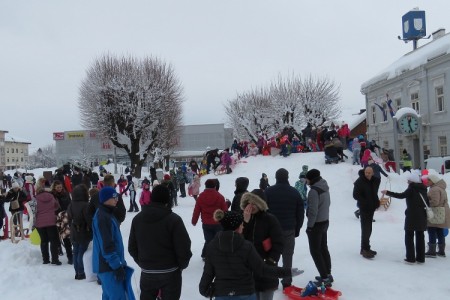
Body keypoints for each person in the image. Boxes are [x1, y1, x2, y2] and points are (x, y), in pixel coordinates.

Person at [199, 209, 304, 299]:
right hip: (245, 294)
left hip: (222, 295)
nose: (243, 227)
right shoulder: (246, 246)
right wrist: (287, 272)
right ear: (237, 227)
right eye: (241, 224)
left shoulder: (212, 246)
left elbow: (206, 279)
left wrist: (217, 291)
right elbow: (263, 269)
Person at [128, 185, 192, 299]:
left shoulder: (137, 219)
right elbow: (184, 247)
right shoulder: (174, 220)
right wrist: (181, 265)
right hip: (170, 272)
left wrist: (143, 263)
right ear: (168, 199)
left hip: (148, 272)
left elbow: (132, 247)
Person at [265, 168, 304, 289]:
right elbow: (300, 214)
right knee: (288, 256)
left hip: (272, 230)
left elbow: (264, 211)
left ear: (276, 178)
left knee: (272, 256)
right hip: (289, 229)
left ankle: (272, 281)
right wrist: (297, 229)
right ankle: (287, 282)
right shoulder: (294, 192)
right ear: (287, 177)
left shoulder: (268, 191)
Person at [92, 186, 135, 299]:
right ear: (106, 199)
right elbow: (107, 246)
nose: (117, 199)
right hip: (108, 267)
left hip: (108, 265)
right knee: (117, 297)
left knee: (108, 296)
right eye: (114, 197)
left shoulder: (107, 214)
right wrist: (116, 266)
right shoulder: (103, 217)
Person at [241, 192, 284, 300]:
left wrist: (271, 261)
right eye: (249, 203)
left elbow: (278, 243)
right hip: (249, 270)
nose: (251, 206)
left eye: (254, 203)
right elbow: (240, 242)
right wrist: (245, 222)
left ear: (261, 204)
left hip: (266, 269)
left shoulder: (270, 219)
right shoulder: (244, 220)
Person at [381, 171, 428, 263]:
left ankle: (410, 258)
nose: (407, 182)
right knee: (420, 236)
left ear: (412, 181)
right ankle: (421, 258)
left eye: (408, 181)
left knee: (409, 236)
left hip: (412, 215)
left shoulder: (412, 188)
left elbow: (401, 195)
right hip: (422, 215)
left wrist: (388, 192)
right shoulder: (424, 189)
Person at [305, 169, 333, 287]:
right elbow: (328, 203)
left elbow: (313, 211)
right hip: (325, 221)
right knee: (323, 248)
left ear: (311, 179)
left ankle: (324, 277)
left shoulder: (313, 191)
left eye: (307, 178)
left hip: (316, 224)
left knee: (315, 251)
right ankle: (327, 273)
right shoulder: (324, 186)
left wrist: (310, 226)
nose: (306, 181)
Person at [192, 179, 228, 260]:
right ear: (215, 186)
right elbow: (225, 211)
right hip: (218, 223)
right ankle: (217, 256)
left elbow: (197, 210)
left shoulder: (201, 197)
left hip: (206, 223)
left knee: (208, 240)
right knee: (218, 240)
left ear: (205, 186)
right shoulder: (220, 196)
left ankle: (208, 256)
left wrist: (194, 221)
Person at [352, 166, 379, 259]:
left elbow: (374, 193)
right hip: (364, 208)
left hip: (371, 207)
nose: (367, 174)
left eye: (369, 173)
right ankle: (364, 249)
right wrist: (365, 202)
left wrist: (376, 202)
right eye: (366, 172)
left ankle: (366, 247)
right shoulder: (359, 181)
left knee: (369, 228)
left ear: (372, 173)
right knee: (365, 228)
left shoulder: (375, 181)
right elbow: (355, 195)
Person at [67, 184, 92, 279]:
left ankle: (77, 272)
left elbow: (69, 218)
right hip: (83, 232)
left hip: (74, 231)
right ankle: (81, 272)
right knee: (81, 252)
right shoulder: (85, 205)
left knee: (76, 252)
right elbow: (88, 220)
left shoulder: (71, 204)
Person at [34, 177, 62, 265]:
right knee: (53, 240)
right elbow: (57, 206)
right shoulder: (51, 196)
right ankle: (55, 259)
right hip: (51, 221)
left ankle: (45, 259)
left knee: (44, 240)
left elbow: (33, 210)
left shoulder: (35, 198)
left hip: (40, 222)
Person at [423, 173, 450, 257]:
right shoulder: (441, 188)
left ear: (433, 181)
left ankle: (432, 251)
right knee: (440, 231)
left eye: (429, 180)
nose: (427, 182)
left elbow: (435, 202)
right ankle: (441, 251)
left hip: (435, 213)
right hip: (442, 212)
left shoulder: (434, 189)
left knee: (431, 230)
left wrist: (426, 204)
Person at [52, 180, 73, 264]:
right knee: (60, 236)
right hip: (58, 218)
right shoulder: (53, 195)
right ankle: (60, 249)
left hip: (67, 217)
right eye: (57, 187)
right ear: (54, 188)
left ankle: (70, 257)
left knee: (67, 236)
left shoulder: (66, 193)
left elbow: (70, 203)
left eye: (60, 187)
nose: (59, 189)